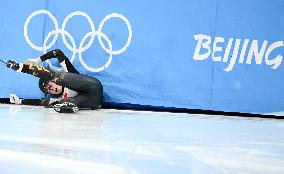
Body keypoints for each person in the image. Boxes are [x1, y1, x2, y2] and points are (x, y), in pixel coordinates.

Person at [6, 49, 103, 111]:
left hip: (93, 86)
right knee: (59, 104)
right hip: (94, 102)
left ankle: (23, 68)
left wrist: (38, 60)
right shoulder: (54, 98)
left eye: (49, 85)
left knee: (58, 77)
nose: (51, 88)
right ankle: (67, 106)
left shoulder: (68, 71)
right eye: (48, 89)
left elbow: (57, 53)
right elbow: (41, 102)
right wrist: (20, 101)